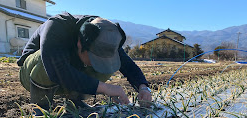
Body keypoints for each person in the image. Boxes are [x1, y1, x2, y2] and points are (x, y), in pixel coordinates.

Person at [17, 12, 152, 111]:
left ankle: (76, 103)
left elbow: (129, 66)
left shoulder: (105, 37)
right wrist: (105, 88)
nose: (95, 64)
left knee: (109, 65)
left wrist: (143, 87)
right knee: (45, 58)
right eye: (94, 58)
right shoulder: (58, 26)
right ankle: (41, 107)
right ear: (80, 43)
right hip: (33, 75)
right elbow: (56, 70)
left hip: (70, 76)